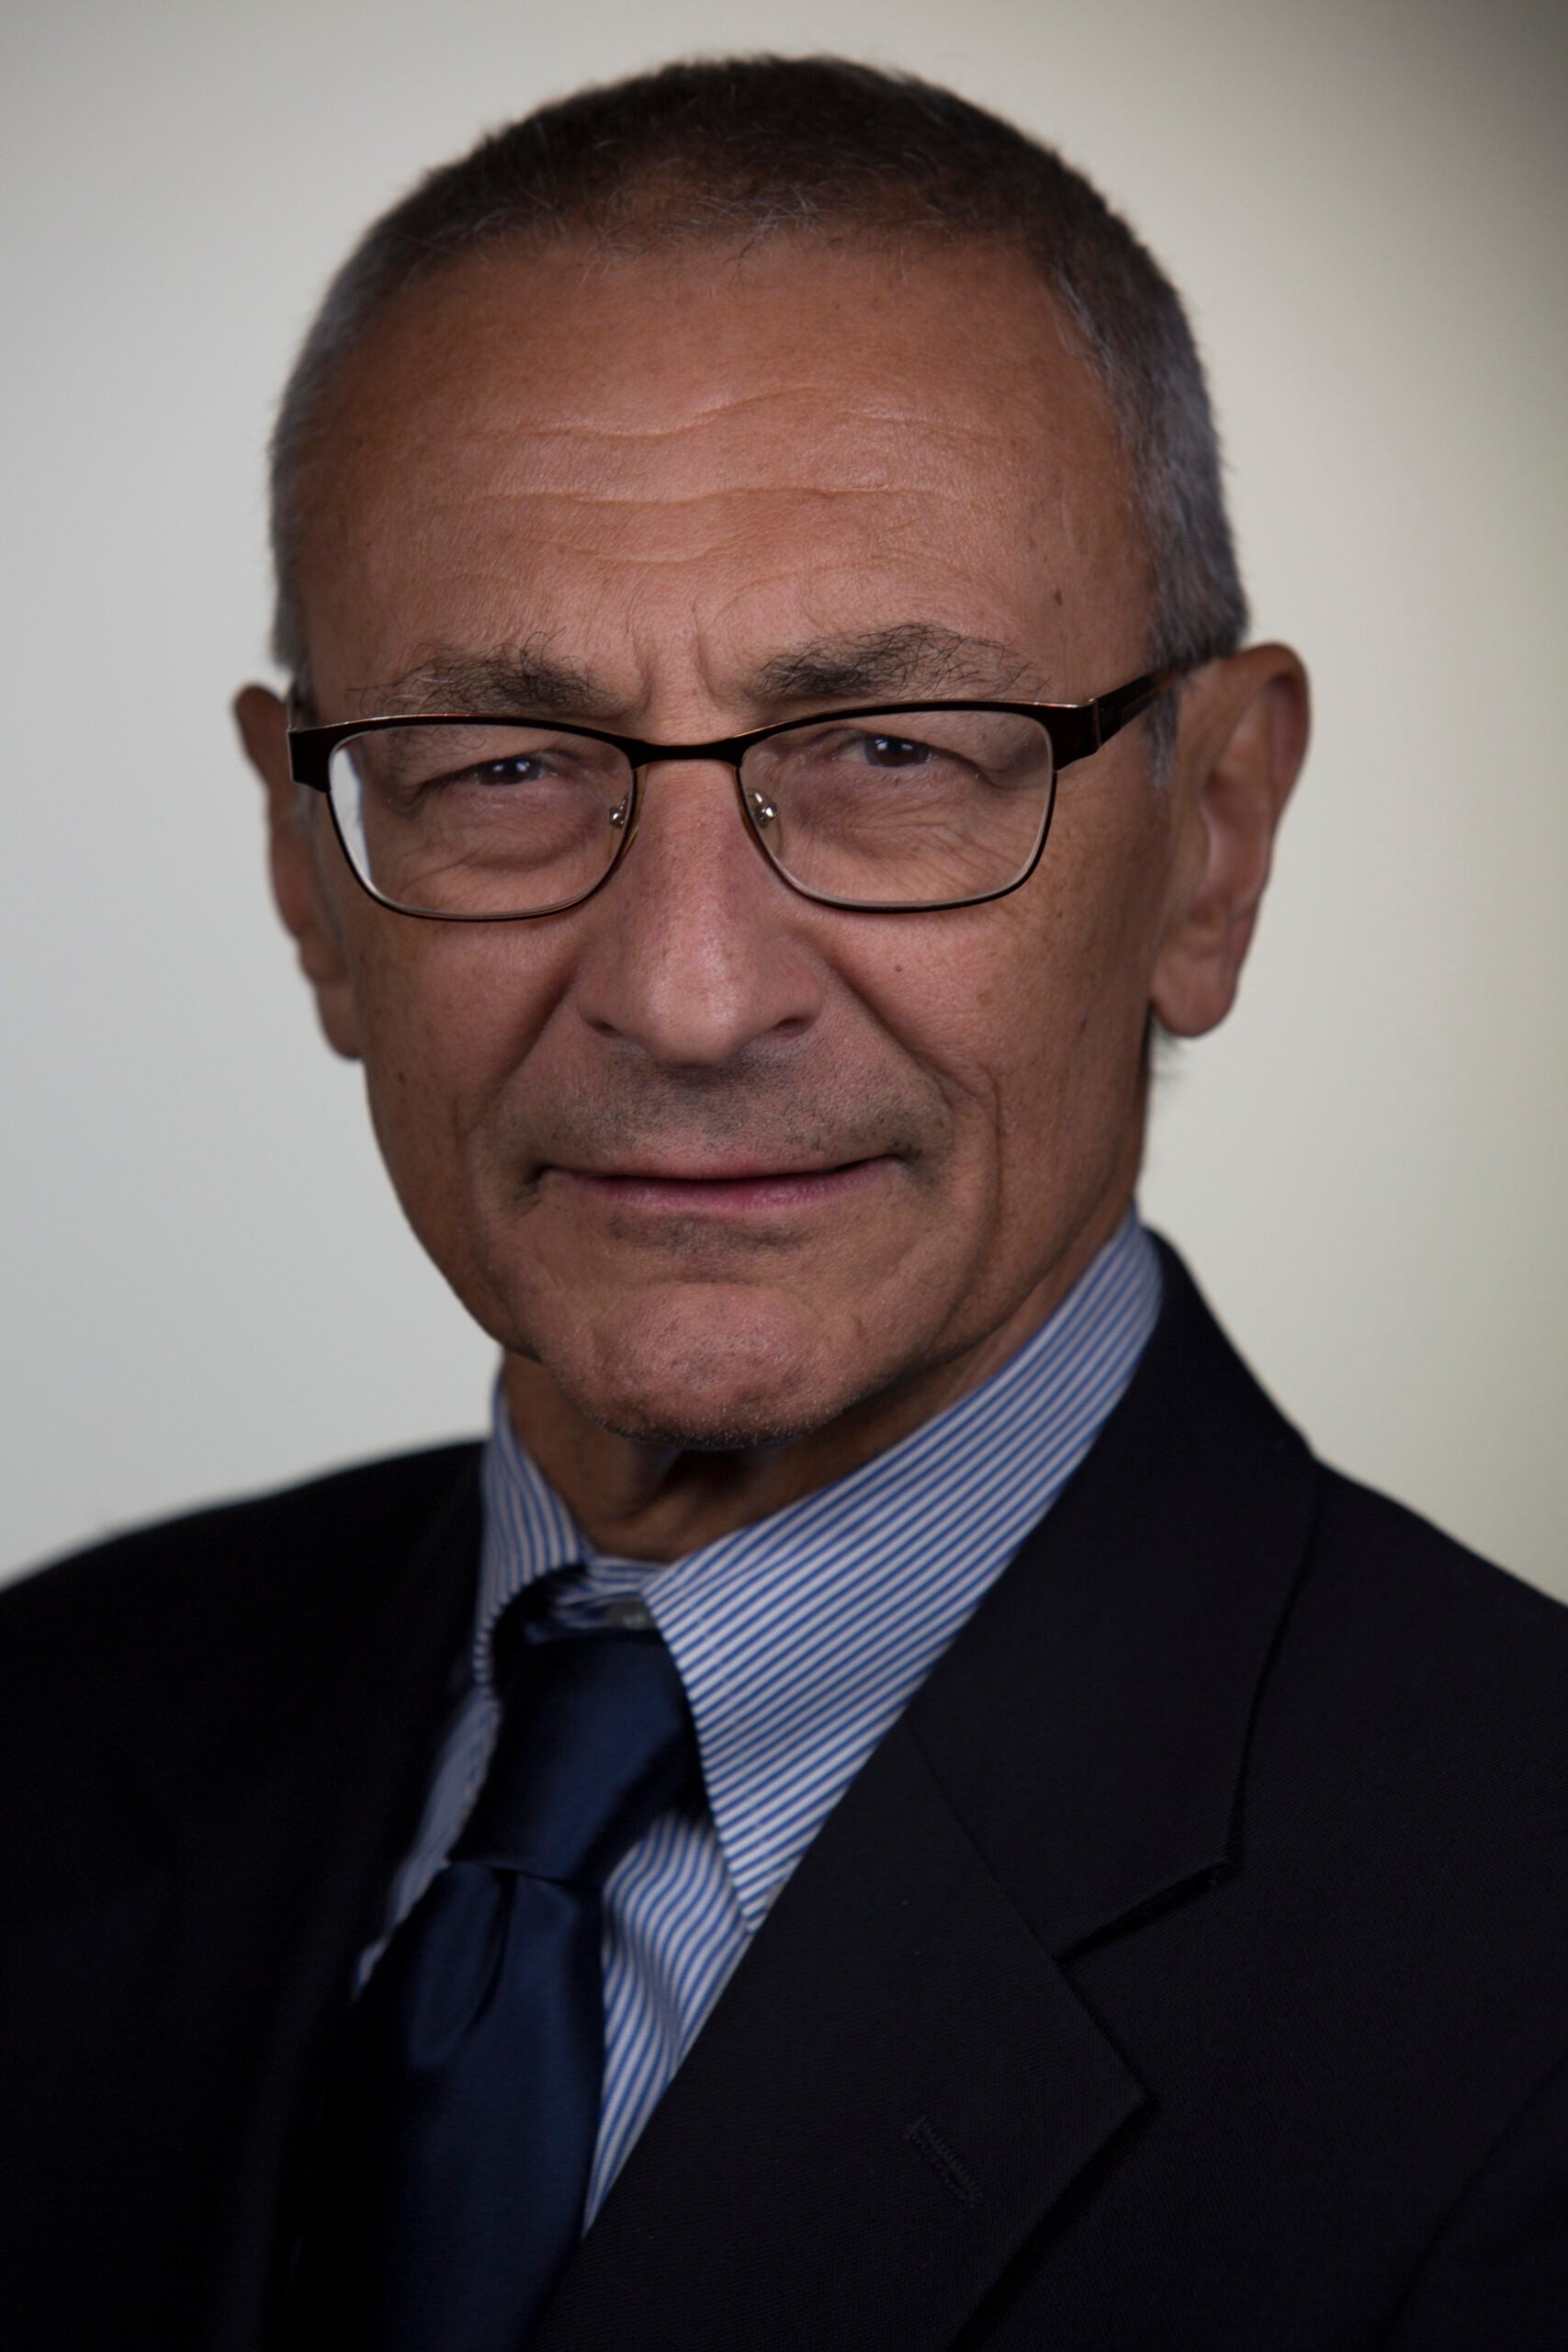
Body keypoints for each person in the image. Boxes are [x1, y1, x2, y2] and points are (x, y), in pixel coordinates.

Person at [3, 52, 1565, 2352]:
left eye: (891, 753)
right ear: (308, 874)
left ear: (1211, 840)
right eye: (504, 765)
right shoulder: (45, 1722)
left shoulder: (1519, 1962)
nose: (688, 991)